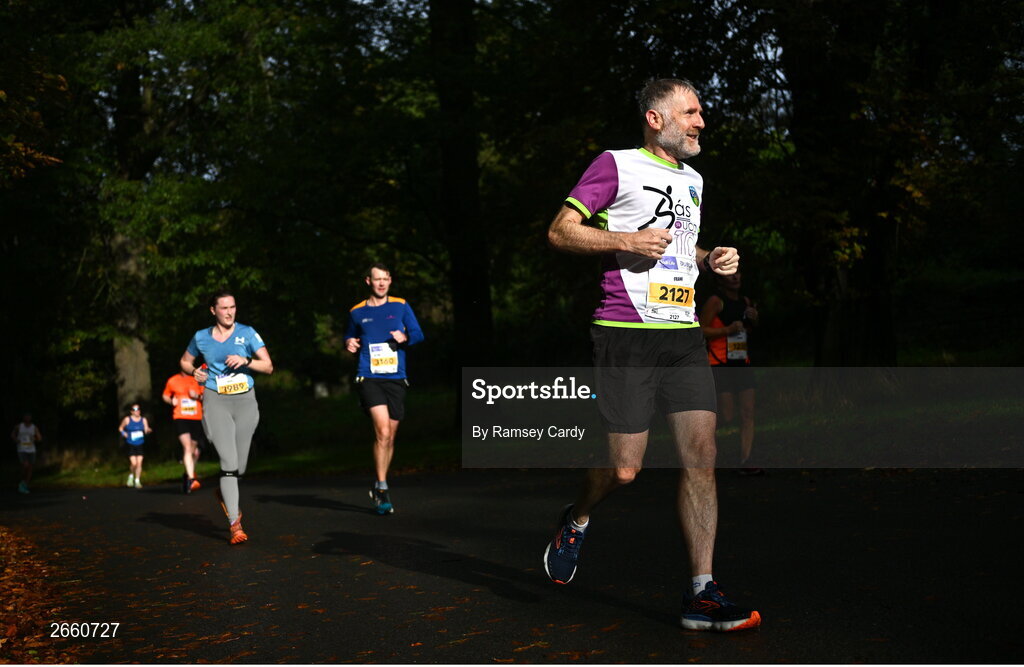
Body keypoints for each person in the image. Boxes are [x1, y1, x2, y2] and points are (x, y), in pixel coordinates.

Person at [543, 78, 760, 632]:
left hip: (683, 333)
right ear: (655, 118)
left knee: (701, 457)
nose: (701, 122)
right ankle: (578, 516)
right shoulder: (615, 164)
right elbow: (560, 231)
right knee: (625, 469)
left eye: (701, 112)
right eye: (691, 112)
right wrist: (622, 241)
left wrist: (713, 256)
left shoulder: (694, 179)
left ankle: (701, 592)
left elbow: (682, 250)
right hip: (626, 332)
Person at [179, 290, 273, 545]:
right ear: (213, 310)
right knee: (228, 461)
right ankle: (235, 523)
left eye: (233, 307)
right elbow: (185, 362)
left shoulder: (247, 333)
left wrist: (246, 360)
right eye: (224, 308)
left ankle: (224, 492)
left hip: (245, 400)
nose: (230, 312)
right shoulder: (201, 337)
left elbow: (268, 365)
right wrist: (195, 371)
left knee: (239, 466)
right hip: (215, 399)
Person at [344, 263, 424, 515]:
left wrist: (405, 338)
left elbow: (418, 334)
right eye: (377, 279)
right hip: (369, 376)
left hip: (396, 378)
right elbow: (349, 336)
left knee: (390, 436)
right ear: (368, 281)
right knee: (382, 430)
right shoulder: (357, 312)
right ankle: (381, 487)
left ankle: (380, 482)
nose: (382, 283)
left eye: (386, 279)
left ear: (390, 281)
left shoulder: (400, 305)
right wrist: (349, 343)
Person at [700, 271, 761, 474]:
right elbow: (700, 329)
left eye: (738, 274)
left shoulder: (745, 301)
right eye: (731, 275)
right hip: (719, 364)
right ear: (720, 279)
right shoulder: (716, 302)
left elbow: (748, 331)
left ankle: (746, 460)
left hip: (741, 362)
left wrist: (754, 319)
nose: (736, 278)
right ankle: (701, 449)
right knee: (726, 415)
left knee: (748, 412)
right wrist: (726, 330)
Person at [162, 369, 207, 493]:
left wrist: (197, 396)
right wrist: (171, 401)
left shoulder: (199, 379)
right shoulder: (173, 380)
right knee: (187, 448)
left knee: (195, 452)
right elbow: (165, 395)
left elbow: (207, 397)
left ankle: (188, 474)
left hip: (196, 418)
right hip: (180, 417)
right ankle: (191, 479)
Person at [118, 404, 152, 489]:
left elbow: (146, 429)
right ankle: (131, 476)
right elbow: (120, 428)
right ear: (131, 411)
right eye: (134, 409)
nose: (137, 411)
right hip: (130, 444)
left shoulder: (143, 420)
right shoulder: (127, 419)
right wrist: (124, 434)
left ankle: (137, 480)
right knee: (134, 463)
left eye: (138, 409)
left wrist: (148, 430)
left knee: (139, 463)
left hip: (140, 443)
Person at [12, 413, 42, 494]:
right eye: (26, 416)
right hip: (22, 449)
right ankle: (21, 481)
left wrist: (35, 438)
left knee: (30, 468)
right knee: (25, 465)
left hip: (31, 449)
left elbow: (39, 438)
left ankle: (25, 484)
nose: (27, 418)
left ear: (31, 418)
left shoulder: (33, 427)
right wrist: (16, 440)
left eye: (29, 416)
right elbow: (13, 434)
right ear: (23, 417)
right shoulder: (19, 426)